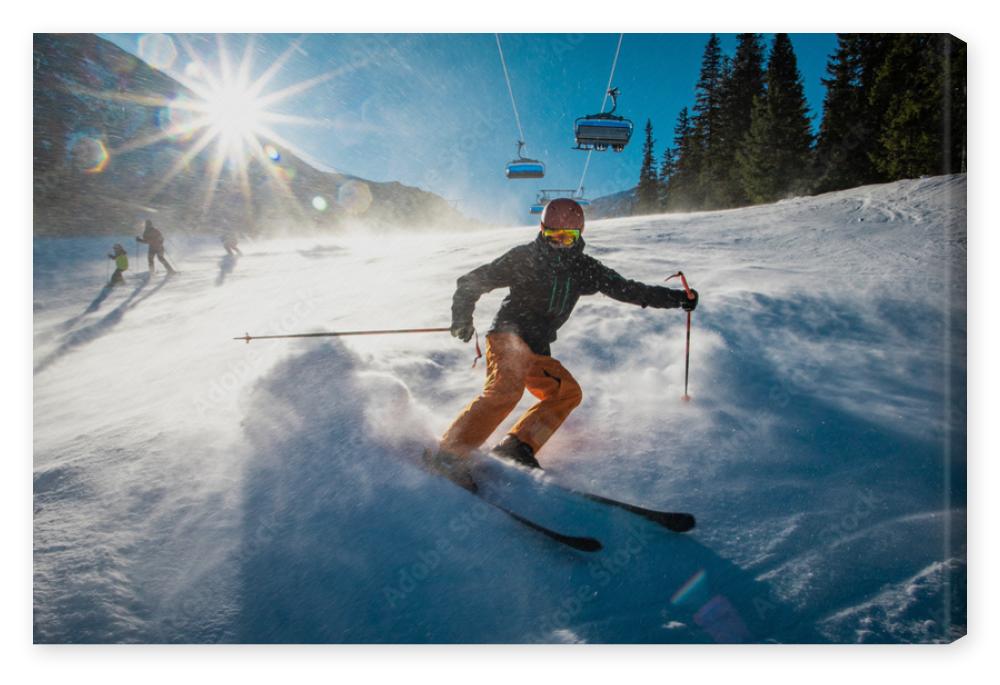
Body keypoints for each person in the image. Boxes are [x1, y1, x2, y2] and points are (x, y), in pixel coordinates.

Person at [430, 198, 698, 487]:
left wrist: (676, 299)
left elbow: (626, 289)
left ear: (579, 235)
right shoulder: (525, 258)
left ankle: (518, 446)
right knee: (505, 391)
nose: (560, 243)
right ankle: (449, 453)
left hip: (538, 347)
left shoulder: (584, 268)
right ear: (542, 230)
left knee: (566, 393)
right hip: (508, 335)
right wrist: (462, 318)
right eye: (553, 235)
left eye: (568, 236)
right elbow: (470, 282)